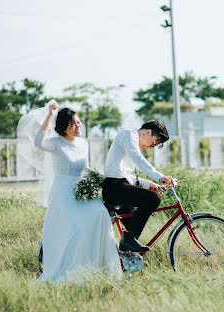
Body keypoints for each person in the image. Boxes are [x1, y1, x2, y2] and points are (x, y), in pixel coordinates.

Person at [19, 100, 122, 283]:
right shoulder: (56, 143)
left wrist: (99, 176)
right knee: (77, 227)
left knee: (100, 215)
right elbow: (38, 142)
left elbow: (86, 167)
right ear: (63, 127)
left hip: (82, 191)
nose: (77, 126)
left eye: (78, 122)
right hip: (64, 193)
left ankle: (99, 267)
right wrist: (49, 116)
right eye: (72, 124)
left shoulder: (83, 143)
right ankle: (72, 270)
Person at [102, 120, 175, 253]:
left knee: (132, 230)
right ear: (148, 132)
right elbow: (137, 158)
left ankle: (125, 261)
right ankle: (127, 243)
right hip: (114, 187)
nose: (149, 148)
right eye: (153, 144)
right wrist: (159, 176)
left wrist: (150, 184)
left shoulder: (131, 144)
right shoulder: (129, 135)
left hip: (119, 187)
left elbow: (129, 177)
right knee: (153, 199)